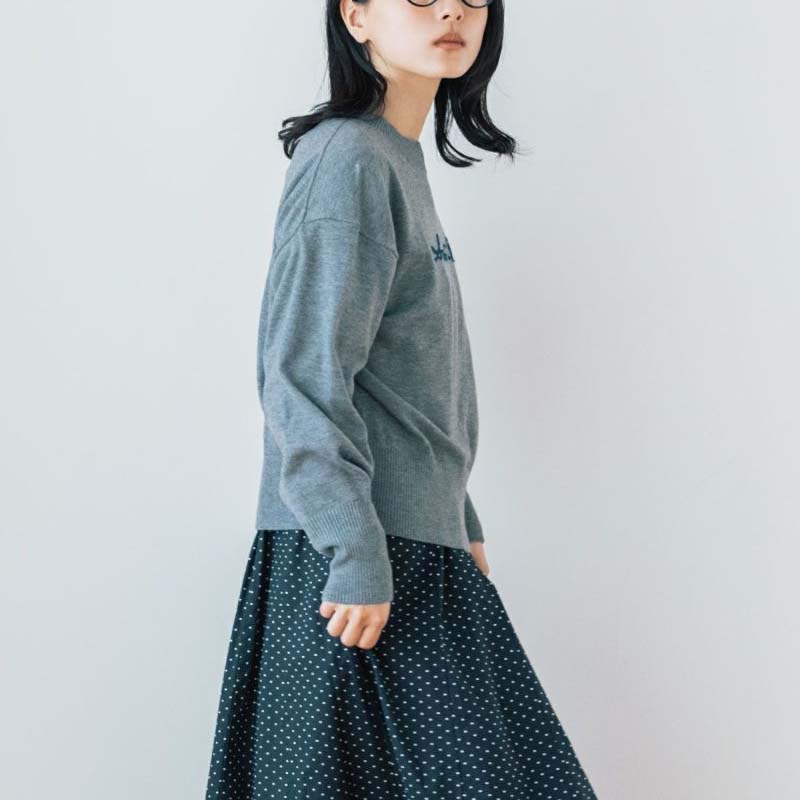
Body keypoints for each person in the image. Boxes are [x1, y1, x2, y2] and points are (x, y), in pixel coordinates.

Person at [205, 1, 598, 797]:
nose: (451, 9)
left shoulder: (393, 158)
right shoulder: (347, 160)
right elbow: (302, 374)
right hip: (354, 558)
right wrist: (354, 553)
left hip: (414, 544)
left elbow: (407, 378)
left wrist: (459, 517)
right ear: (354, 15)